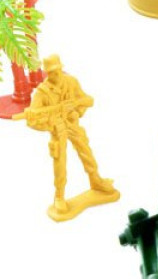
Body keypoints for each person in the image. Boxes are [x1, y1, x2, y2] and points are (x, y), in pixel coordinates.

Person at [18, 55, 118, 220]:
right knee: (60, 163)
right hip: (57, 129)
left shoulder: (71, 82)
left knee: (86, 153)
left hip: (72, 124)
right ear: (47, 73)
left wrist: (75, 107)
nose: (56, 74)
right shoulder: (42, 92)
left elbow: (89, 100)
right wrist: (49, 125)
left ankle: (96, 181)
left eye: (57, 70)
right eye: (51, 72)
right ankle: (59, 196)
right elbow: (32, 121)